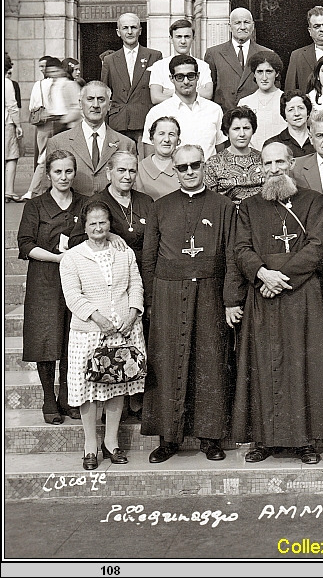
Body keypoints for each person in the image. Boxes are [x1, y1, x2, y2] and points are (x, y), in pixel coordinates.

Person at [225, 142, 323, 463]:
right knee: (262, 365)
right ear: (260, 168)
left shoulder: (313, 201)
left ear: (291, 164)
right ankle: (264, 440)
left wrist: (277, 277)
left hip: (302, 296)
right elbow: (241, 248)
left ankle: (305, 441)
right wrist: (263, 274)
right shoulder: (248, 207)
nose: (274, 168)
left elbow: (317, 247)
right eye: (268, 163)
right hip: (262, 295)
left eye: (280, 162)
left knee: (303, 365)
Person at [141, 143, 238, 463]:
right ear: (175, 170)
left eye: (195, 165)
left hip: (210, 293)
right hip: (169, 294)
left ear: (204, 166)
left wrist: (228, 299)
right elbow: (150, 256)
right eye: (182, 168)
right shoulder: (160, 206)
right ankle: (169, 438)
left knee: (210, 363)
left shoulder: (224, 206)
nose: (189, 172)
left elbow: (231, 256)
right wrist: (151, 302)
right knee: (168, 364)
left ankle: (210, 438)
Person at [59, 200, 146, 469]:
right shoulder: (73, 257)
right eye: (93, 223)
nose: (98, 228)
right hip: (89, 334)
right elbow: (72, 296)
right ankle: (90, 445)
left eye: (103, 222)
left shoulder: (124, 252)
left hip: (124, 330)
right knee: (88, 391)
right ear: (84, 227)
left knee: (116, 385)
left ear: (110, 224)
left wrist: (133, 313)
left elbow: (136, 284)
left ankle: (111, 442)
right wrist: (98, 318)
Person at [17, 150, 88, 423]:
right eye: (58, 172)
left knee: (73, 339)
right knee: (46, 338)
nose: (63, 177)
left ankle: (68, 396)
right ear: (48, 174)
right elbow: (25, 245)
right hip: (45, 278)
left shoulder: (83, 204)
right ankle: (49, 398)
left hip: (77, 279)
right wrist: (59, 258)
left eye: (68, 171)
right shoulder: (35, 206)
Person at [47, 82, 136, 195]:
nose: (95, 105)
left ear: (109, 105)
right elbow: (49, 189)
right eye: (90, 99)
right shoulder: (58, 143)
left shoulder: (126, 144)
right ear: (80, 103)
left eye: (101, 99)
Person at [142, 55, 227, 161]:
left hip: (208, 174)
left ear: (198, 76)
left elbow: (220, 151)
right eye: (180, 77)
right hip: (172, 175)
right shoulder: (157, 112)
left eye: (190, 76)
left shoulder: (214, 110)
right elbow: (149, 157)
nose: (186, 81)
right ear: (171, 79)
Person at [100, 12, 163, 150]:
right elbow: (104, 94)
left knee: (144, 165)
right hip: (118, 123)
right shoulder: (109, 61)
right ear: (118, 32)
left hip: (144, 121)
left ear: (140, 31)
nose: (129, 32)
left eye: (133, 28)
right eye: (125, 28)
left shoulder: (154, 56)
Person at [205, 7, 274, 111]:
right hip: (226, 117)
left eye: (246, 22)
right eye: (237, 23)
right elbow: (210, 89)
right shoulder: (214, 54)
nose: (242, 27)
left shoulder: (266, 54)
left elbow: (273, 90)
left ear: (253, 26)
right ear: (230, 27)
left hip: (257, 115)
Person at [204, 106, 264, 204]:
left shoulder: (263, 158)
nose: (242, 134)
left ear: (253, 130)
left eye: (246, 128)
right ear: (227, 132)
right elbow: (209, 201)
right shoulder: (214, 163)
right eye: (236, 129)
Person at [148, 18, 213, 104]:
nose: (183, 41)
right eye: (178, 37)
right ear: (171, 39)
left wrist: (170, 92)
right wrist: (192, 93)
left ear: (193, 38)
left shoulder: (203, 66)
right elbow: (156, 97)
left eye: (187, 37)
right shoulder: (159, 66)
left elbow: (208, 94)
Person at [22, 55, 56, 200]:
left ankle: (35, 189)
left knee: (42, 157)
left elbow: (32, 106)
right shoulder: (57, 83)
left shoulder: (39, 84)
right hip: (55, 121)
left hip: (43, 124)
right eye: (40, 66)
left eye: (43, 66)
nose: (42, 69)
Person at [237, 51, 286, 151]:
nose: (264, 78)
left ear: (276, 73)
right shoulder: (245, 103)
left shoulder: (286, 100)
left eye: (269, 71)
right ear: (254, 74)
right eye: (259, 72)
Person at [136, 116, 181, 199]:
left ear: (178, 141)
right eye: (161, 134)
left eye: (171, 134)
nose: (166, 139)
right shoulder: (138, 170)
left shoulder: (185, 168)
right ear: (152, 139)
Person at [264, 92, 314, 157]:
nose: (297, 113)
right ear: (284, 115)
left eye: (300, 108)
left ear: (307, 112)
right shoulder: (273, 143)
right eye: (291, 110)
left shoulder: (320, 138)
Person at [5, 54, 23, 202]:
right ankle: (8, 190)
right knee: (11, 156)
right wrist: (18, 125)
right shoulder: (6, 83)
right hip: (6, 124)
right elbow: (12, 106)